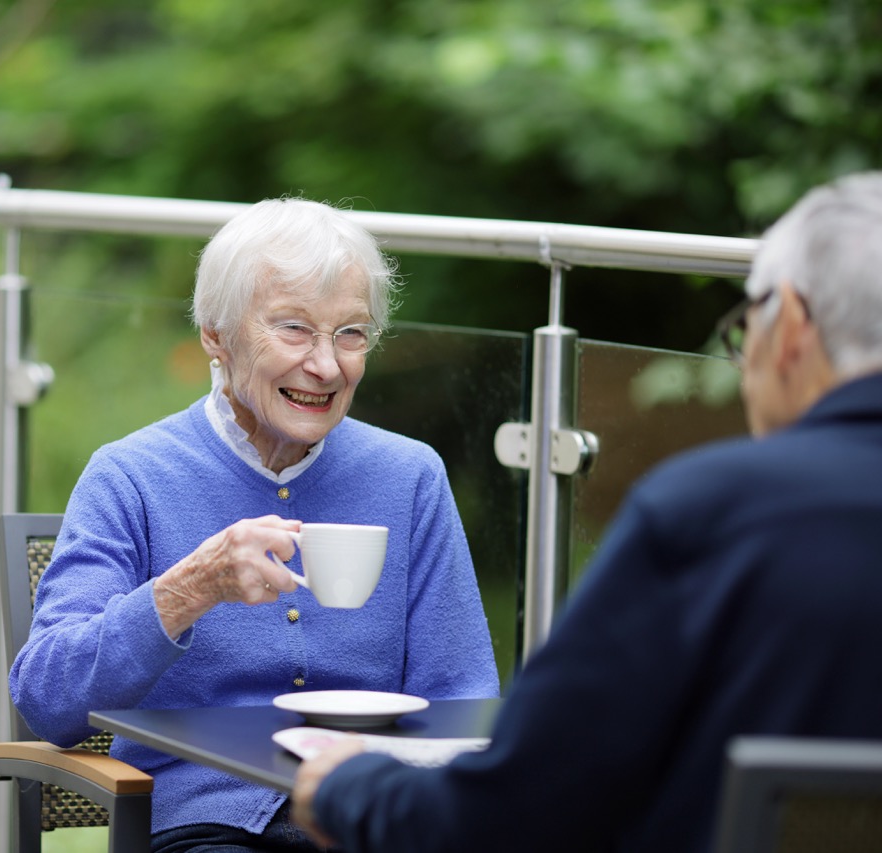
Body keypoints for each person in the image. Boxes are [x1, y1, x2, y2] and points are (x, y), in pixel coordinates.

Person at [290, 171, 882, 852]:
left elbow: (511, 813)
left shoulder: (708, 515)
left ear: (793, 328)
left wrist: (348, 790)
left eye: (746, 327)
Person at [10, 197, 500, 851]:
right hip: (206, 821)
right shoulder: (130, 476)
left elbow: (465, 696)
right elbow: (47, 697)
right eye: (294, 328)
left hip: (374, 819)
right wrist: (189, 587)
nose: (327, 366)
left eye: (350, 333)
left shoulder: (411, 477)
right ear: (216, 334)